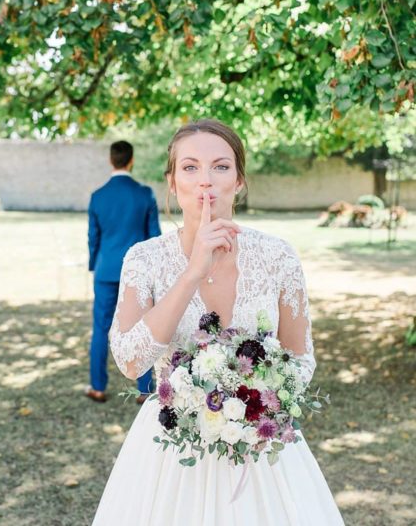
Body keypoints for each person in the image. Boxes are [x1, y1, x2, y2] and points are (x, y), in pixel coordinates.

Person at [92, 120, 345, 525]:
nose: (205, 180)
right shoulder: (144, 259)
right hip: (170, 452)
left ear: (240, 180)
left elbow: (300, 359)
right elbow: (129, 361)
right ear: (172, 183)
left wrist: (255, 405)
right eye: (190, 168)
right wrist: (191, 272)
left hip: (260, 452)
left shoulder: (279, 257)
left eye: (221, 167)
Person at [87, 140, 162, 404]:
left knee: (100, 328)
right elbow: (155, 238)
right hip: (138, 274)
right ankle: (145, 389)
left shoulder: (98, 196)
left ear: (112, 161)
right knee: (144, 328)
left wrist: (93, 266)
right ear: (131, 160)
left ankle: (97, 386)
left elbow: (93, 237)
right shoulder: (145, 194)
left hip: (106, 271)